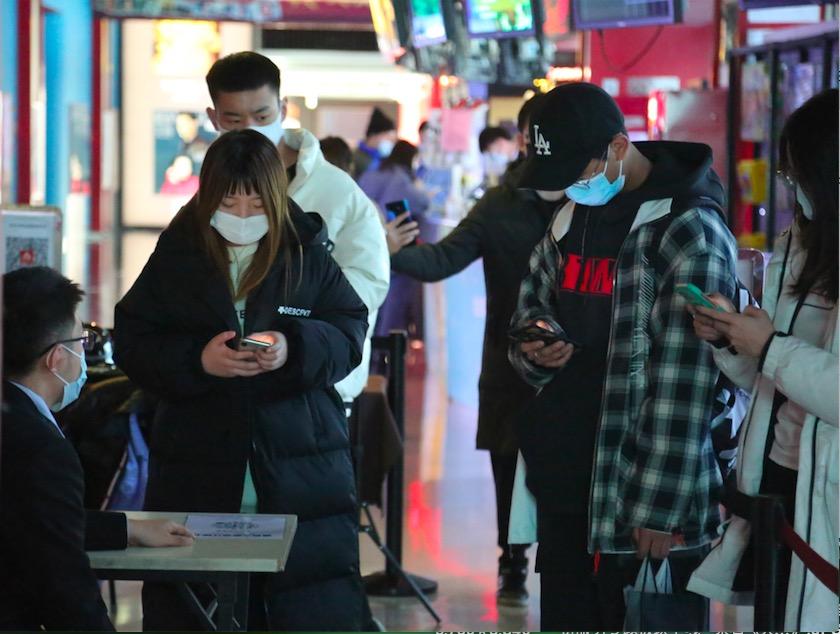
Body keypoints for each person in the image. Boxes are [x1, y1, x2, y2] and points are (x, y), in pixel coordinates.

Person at [114, 130, 369, 630]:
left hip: (302, 472)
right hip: (198, 468)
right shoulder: (178, 254)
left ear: (275, 197)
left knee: (300, 606)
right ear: (208, 196)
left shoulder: (305, 251)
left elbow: (349, 331)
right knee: (197, 611)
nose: (243, 215)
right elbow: (134, 342)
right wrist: (199, 361)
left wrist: (293, 347)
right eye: (229, 202)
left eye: (256, 203)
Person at [507, 82, 739, 630]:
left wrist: (660, 508)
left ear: (617, 147)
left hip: (642, 493)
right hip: (567, 483)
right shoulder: (571, 216)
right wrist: (536, 346)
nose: (571, 186)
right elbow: (529, 310)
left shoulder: (687, 228)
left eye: (578, 171)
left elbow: (686, 381)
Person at [384, 95, 550, 606]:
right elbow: (443, 259)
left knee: (551, 468)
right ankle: (513, 560)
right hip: (512, 360)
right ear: (524, 139)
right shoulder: (503, 204)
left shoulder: (593, 203)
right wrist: (392, 252)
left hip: (567, 364)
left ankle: (543, 565)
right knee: (509, 461)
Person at [686, 89, 838, 632]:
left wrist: (769, 346)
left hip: (829, 495)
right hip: (780, 483)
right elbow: (769, 378)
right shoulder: (801, 243)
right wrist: (732, 337)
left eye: (798, 173)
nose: (790, 185)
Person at [0, 266, 194, 631]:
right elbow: (65, 588)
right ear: (56, 358)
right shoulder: (40, 448)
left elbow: (31, 521)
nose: (84, 353)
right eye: (81, 342)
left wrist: (127, 528)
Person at [204, 51, 389, 414]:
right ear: (214, 119)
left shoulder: (338, 191)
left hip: (316, 388)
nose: (250, 129)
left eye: (262, 117)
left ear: (283, 108)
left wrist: (294, 329)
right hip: (227, 386)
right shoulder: (210, 192)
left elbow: (367, 283)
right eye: (234, 119)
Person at [359, 140, 429, 339]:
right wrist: (421, 188)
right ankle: (385, 349)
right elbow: (421, 202)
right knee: (391, 307)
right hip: (389, 247)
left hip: (364, 244)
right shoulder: (400, 178)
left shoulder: (372, 172)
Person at [353, 106, 398, 179]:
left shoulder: (382, 160)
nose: (390, 143)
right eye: (388, 138)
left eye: (392, 140)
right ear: (374, 135)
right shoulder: (357, 159)